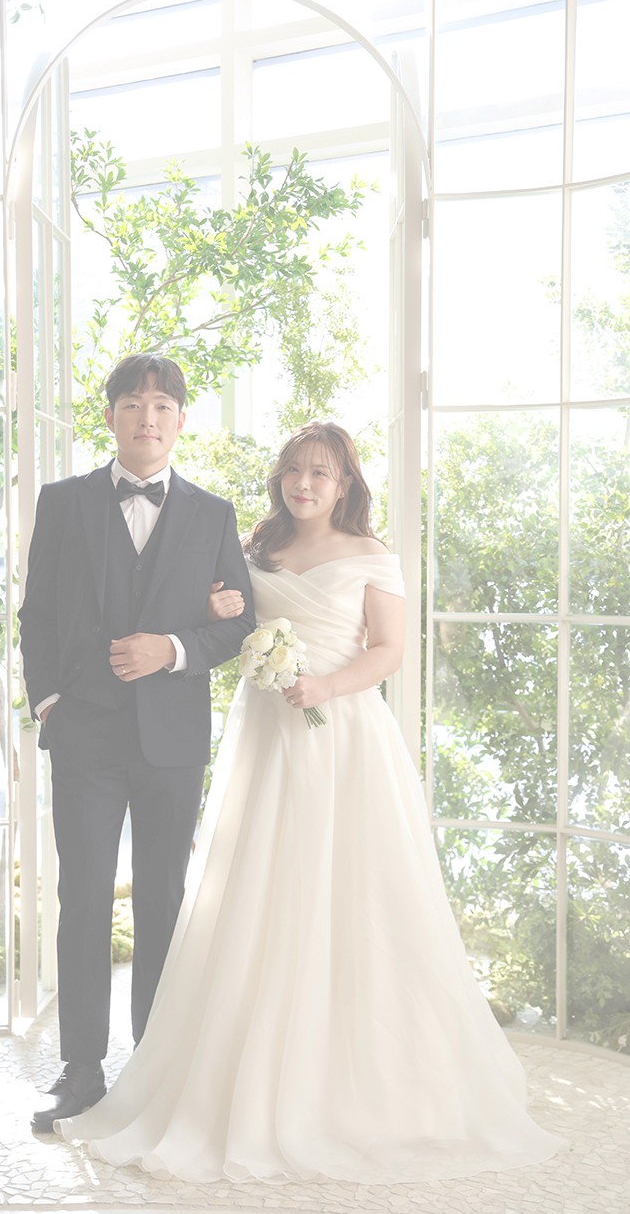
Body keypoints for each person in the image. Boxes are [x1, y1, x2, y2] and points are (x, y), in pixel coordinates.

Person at [56, 421, 564, 1182]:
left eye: (320, 474)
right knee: (256, 895)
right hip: (265, 736)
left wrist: (324, 685)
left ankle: (355, 1081)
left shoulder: (371, 554)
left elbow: (389, 651)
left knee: (353, 897)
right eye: (293, 471)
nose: (304, 485)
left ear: (345, 483)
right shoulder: (255, 549)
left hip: (340, 736)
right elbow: (216, 623)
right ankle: (228, 1070)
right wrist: (225, 613)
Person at [18, 353, 255, 1132]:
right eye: (132, 404)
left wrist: (174, 648)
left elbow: (237, 623)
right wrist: (49, 702)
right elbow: (37, 614)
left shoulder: (213, 514)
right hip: (82, 733)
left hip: (172, 741)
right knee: (81, 899)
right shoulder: (62, 503)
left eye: (161, 406)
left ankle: (153, 1067)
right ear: (112, 415)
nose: (146, 418)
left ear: (181, 420)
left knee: (163, 901)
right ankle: (80, 1070)